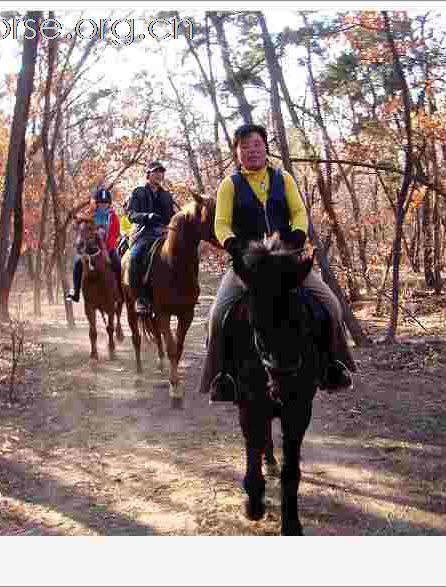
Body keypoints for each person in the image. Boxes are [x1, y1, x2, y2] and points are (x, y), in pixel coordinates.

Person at [197, 123, 357, 402]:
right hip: (248, 265)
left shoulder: (283, 179)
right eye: (245, 146)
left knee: (331, 305)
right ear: (237, 152)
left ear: (265, 147)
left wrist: (297, 234)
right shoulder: (229, 185)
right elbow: (221, 223)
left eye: (257, 144)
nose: (252, 150)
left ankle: (334, 366)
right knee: (217, 317)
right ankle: (222, 378)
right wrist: (232, 244)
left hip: (286, 261)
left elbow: (298, 211)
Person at [126, 160, 177, 315]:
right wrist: (146, 216)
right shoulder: (138, 192)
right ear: (148, 174)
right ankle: (140, 298)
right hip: (144, 233)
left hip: (164, 233)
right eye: (155, 171)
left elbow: (172, 216)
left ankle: (184, 292)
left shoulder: (167, 195)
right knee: (134, 257)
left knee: (183, 253)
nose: (159, 174)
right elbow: (131, 215)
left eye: (161, 172)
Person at [93, 188, 121, 278]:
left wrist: (107, 245)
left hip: (109, 248)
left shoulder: (113, 216)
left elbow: (116, 233)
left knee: (117, 263)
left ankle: (120, 290)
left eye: (106, 203)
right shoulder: (90, 215)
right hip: (93, 248)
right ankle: (76, 291)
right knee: (78, 265)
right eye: (101, 203)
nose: (103, 205)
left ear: (109, 204)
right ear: (97, 204)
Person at [65, 211, 94, 303]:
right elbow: (78, 239)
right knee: (77, 263)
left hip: (102, 246)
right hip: (85, 251)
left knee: (115, 262)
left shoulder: (108, 215)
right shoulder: (83, 222)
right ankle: (76, 292)